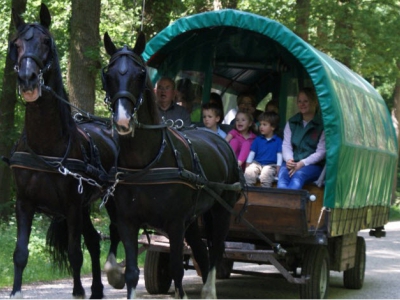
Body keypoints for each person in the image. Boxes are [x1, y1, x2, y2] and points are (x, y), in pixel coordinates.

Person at [277, 87, 325, 190]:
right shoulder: (292, 122)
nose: (302, 104)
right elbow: (286, 145)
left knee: (298, 176)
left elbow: (321, 152)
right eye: (299, 101)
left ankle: (288, 204)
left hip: (313, 165)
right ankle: (282, 204)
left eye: (306, 101)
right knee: (283, 176)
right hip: (292, 162)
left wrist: (302, 163)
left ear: (315, 102)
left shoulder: (322, 125)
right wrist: (289, 160)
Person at [244, 112, 282, 187]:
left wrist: (278, 169)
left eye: (264, 124)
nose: (261, 127)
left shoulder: (278, 141)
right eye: (260, 124)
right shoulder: (257, 139)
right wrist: (247, 165)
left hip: (271, 165)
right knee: (249, 173)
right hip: (256, 163)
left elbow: (279, 156)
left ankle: (265, 195)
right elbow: (252, 153)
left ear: (273, 127)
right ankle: (247, 192)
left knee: (266, 176)